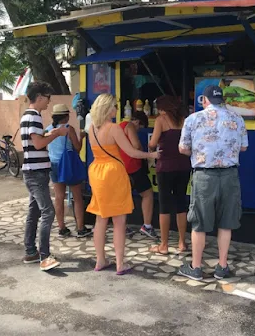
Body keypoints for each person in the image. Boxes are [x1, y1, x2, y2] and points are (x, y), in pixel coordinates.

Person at [177, 85, 248, 281]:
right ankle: (222, 267)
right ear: (221, 100)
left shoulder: (193, 119)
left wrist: (201, 151)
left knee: (199, 222)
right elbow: (243, 148)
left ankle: (196, 267)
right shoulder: (237, 118)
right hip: (229, 175)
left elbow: (183, 148)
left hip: (204, 176)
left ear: (204, 100)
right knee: (226, 222)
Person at [86, 94, 160, 274]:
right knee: (119, 219)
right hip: (113, 172)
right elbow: (132, 152)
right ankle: (120, 264)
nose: (117, 110)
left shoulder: (91, 129)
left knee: (101, 217)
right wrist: (152, 156)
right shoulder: (113, 128)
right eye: (114, 107)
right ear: (107, 108)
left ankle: (100, 260)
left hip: (96, 171)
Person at [20, 81, 69, 271]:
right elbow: (39, 144)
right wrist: (56, 133)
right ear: (40, 97)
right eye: (47, 98)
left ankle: (30, 251)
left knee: (34, 212)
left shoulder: (28, 116)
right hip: (36, 172)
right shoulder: (34, 117)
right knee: (48, 212)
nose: (49, 102)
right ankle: (44, 256)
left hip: (33, 171)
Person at [148, 95, 191, 255]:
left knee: (165, 205)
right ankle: (182, 242)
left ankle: (164, 245)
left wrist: (151, 146)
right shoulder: (184, 120)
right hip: (184, 165)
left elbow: (153, 143)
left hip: (165, 166)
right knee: (181, 203)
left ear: (163, 108)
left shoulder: (161, 120)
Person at [45, 104, 93, 239]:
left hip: (53, 165)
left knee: (59, 197)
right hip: (68, 165)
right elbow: (77, 148)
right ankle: (80, 227)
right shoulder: (68, 129)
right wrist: (82, 137)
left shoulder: (48, 129)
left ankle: (62, 227)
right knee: (77, 197)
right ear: (66, 116)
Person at [119, 111, 158, 239]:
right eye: (140, 126)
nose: (139, 129)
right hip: (133, 166)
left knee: (123, 197)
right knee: (147, 194)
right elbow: (135, 146)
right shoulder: (129, 126)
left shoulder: (119, 126)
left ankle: (122, 227)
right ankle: (147, 226)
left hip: (122, 166)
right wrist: (144, 151)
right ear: (137, 121)